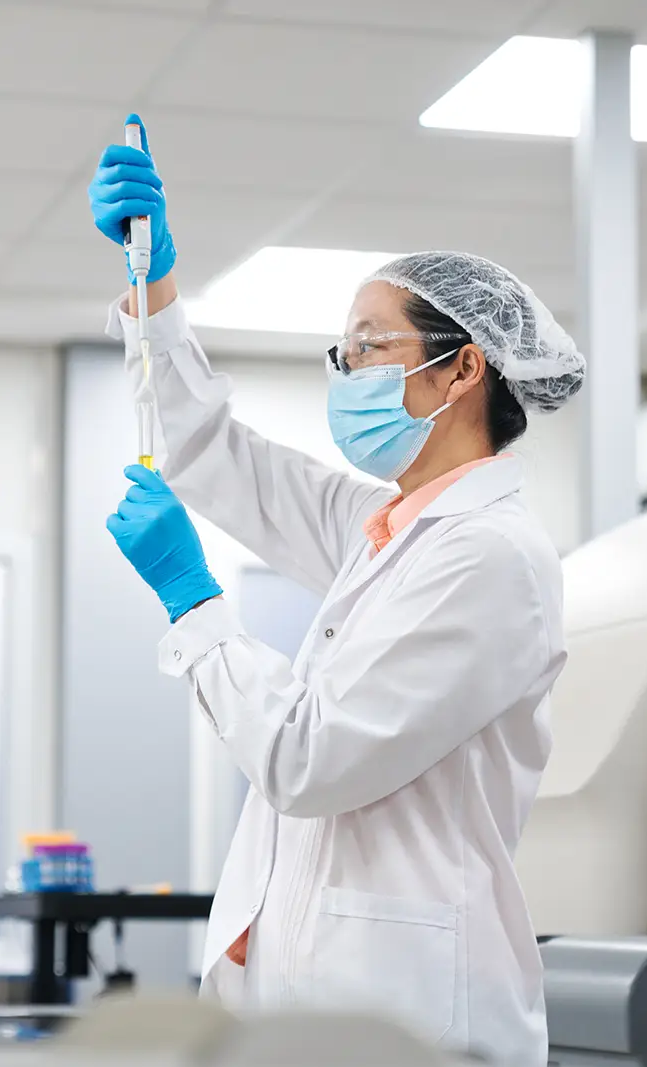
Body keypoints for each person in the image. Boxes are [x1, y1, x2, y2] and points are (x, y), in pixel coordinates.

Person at [90, 115, 586, 1067]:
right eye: (343, 351)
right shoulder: (388, 529)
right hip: (324, 996)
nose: (345, 371)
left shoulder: (489, 558)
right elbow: (212, 453)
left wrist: (193, 602)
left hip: (411, 1011)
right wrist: (154, 292)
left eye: (369, 346)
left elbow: (310, 762)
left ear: (463, 368)